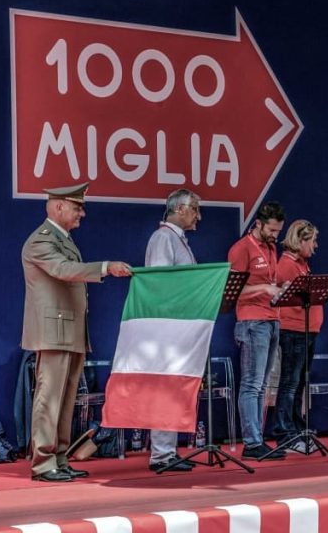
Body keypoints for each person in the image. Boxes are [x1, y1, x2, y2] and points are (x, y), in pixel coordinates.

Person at [21, 182, 131, 482]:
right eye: (77, 207)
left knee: (66, 398)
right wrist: (106, 267)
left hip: (69, 330)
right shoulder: (41, 241)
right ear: (58, 207)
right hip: (54, 331)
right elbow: (63, 270)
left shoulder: (63, 239)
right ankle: (44, 463)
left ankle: (59, 457)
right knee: (50, 397)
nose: (82, 213)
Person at [143, 189, 201, 472]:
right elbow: (161, 283)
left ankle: (167, 449)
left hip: (180, 324)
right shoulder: (164, 238)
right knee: (166, 387)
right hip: (167, 325)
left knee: (175, 387)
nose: (198, 216)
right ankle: (161, 453)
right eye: (194, 210)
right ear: (180, 209)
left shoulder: (176, 239)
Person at [228, 201, 286, 460]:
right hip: (252, 322)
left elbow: (269, 282)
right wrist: (264, 289)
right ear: (258, 224)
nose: (276, 236)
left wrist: (277, 290)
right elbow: (231, 291)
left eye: (278, 231)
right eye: (272, 230)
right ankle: (252, 442)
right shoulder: (241, 249)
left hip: (272, 319)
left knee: (262, 384)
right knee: (251, 383)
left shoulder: (271, 248)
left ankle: (257, 439)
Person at [274, 220, 323, 454]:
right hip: (292, 330)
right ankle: (285, 433)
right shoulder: (287, 264)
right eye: (312, 241)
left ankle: (297, 428)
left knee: (299, 383)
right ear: (301, 240)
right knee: (290, 382)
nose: (315, 246)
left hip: (308, 330)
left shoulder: (303, 264)